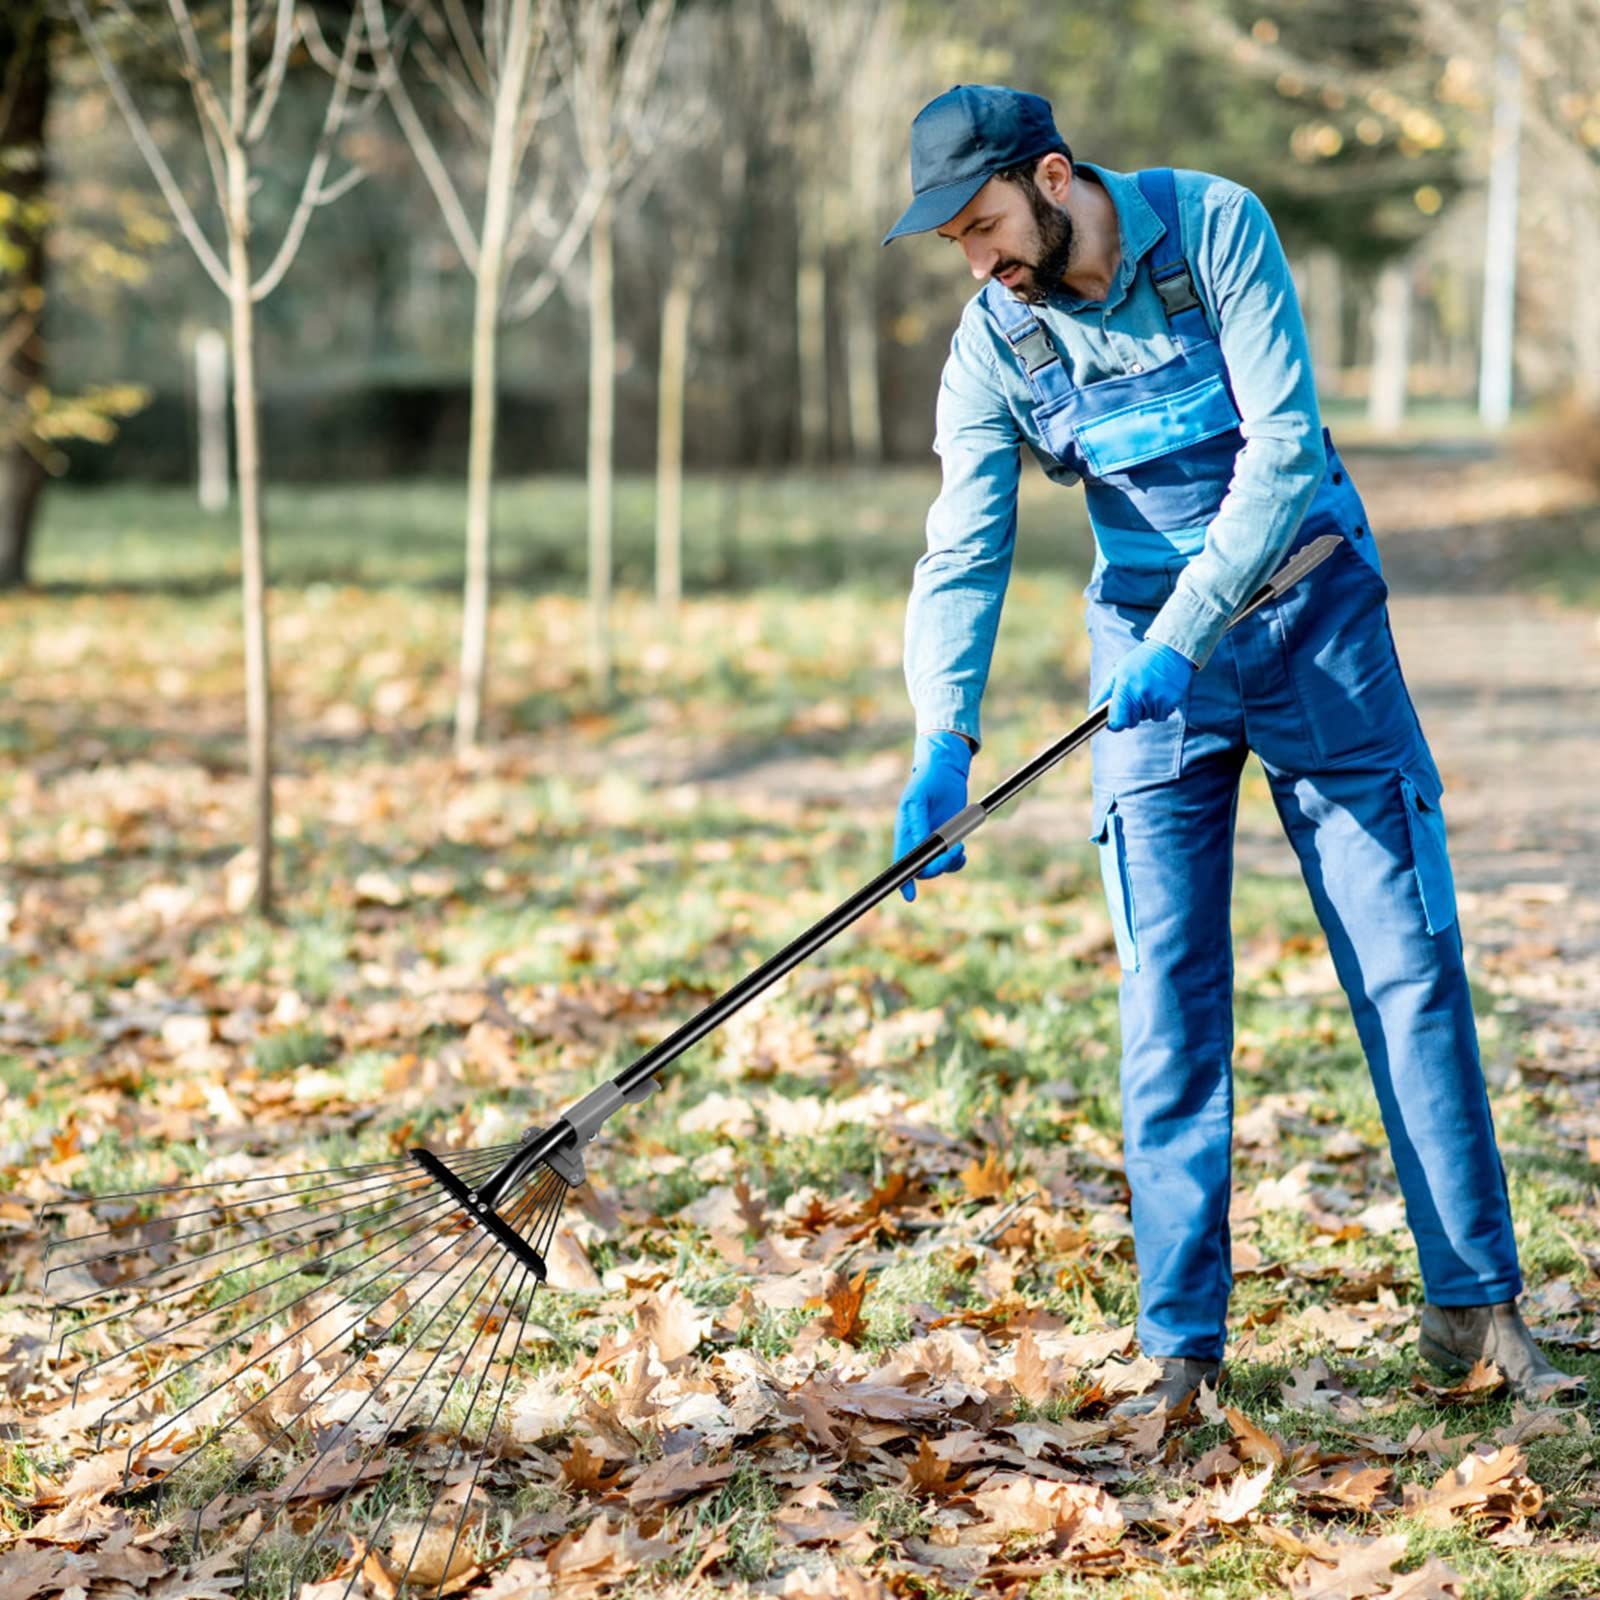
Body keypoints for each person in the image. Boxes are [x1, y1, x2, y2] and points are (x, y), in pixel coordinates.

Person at [886, 83, 1583, 1414]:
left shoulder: (1215, 229)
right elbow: (963, 551)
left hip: (1312, 626)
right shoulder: (996, 343)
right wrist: (943, 738)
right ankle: (1182, 1356)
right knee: (1170, 1001)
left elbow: (1283, 453)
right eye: (959, 245)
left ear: (1053, 175)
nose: (979, 264)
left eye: (984, 227)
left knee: (1408, 968)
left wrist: (1189, 627)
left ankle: (1474, 1305)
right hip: (1150, 672)